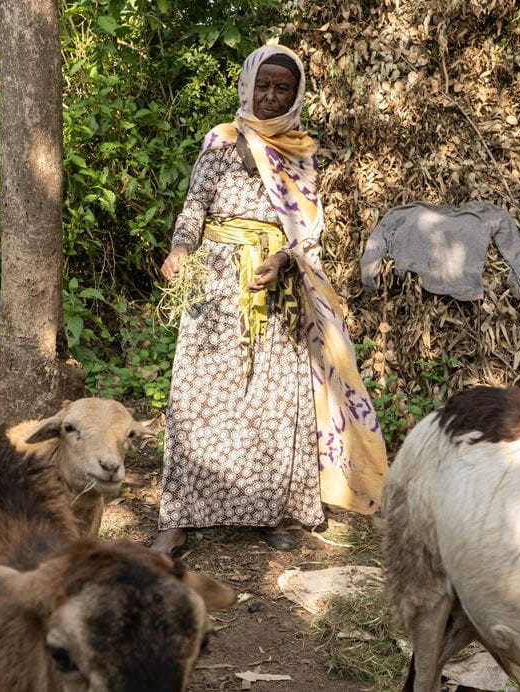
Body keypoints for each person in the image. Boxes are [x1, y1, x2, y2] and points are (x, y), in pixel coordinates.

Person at [152, 44, 387, 555]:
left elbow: (305, 229)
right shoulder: (222, 140)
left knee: (273, 403)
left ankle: (269, 511)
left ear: (296, 93)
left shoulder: (300, 150)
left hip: (275, 289)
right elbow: (195, 204)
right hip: (214, 284)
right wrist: (179, 250)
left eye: (283, 88)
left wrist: (282, 260)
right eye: (264, 85)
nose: (272, 96)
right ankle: (180, 517)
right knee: (199, 397)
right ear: (247, 85)